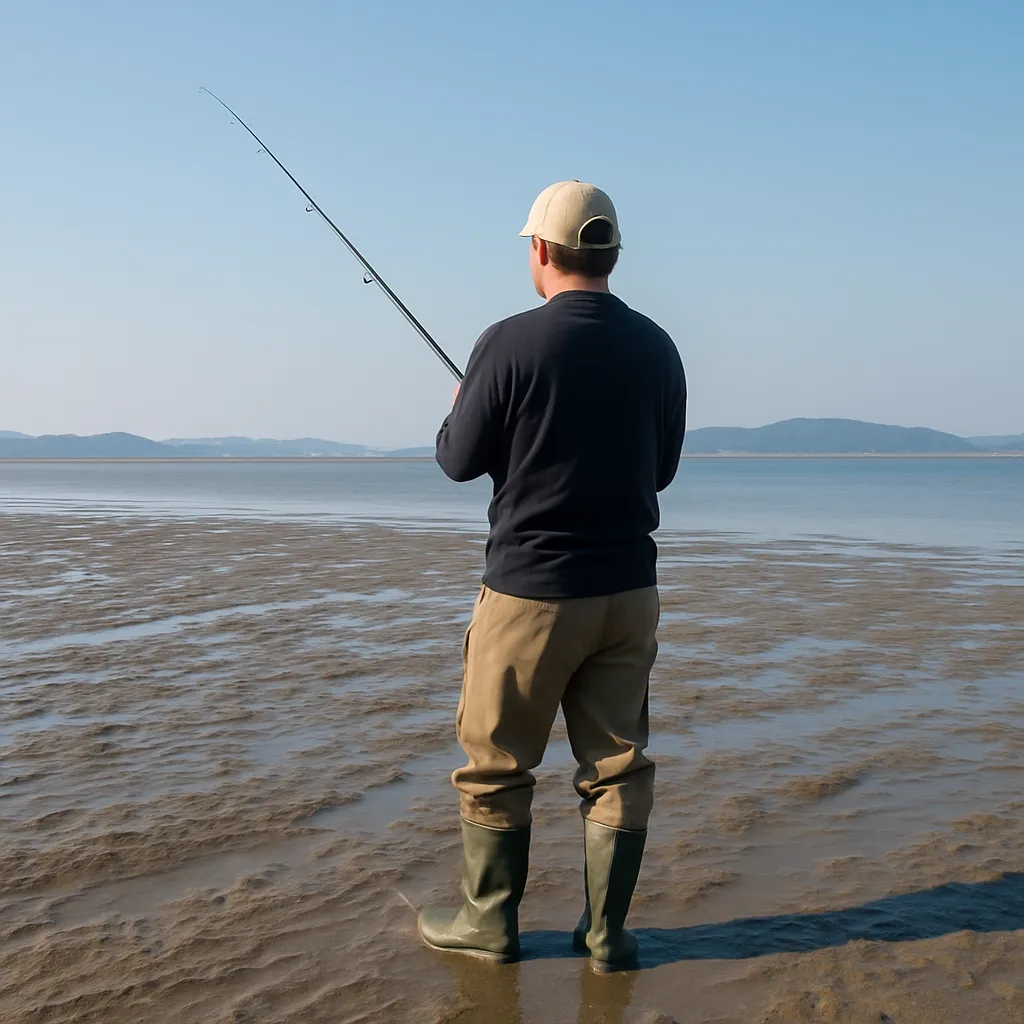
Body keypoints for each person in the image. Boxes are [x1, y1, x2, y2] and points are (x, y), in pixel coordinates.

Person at [418, 180, 687, 972]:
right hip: (629, 595)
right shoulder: (659, 346)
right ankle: (607, 937)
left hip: (531, 594)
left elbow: (456, 461)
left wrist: (464, 404)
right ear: (611, 254)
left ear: (540, 250)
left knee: (497, 765)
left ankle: (488, 925)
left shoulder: (507, 342)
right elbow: (661, 471)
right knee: (617, 766)